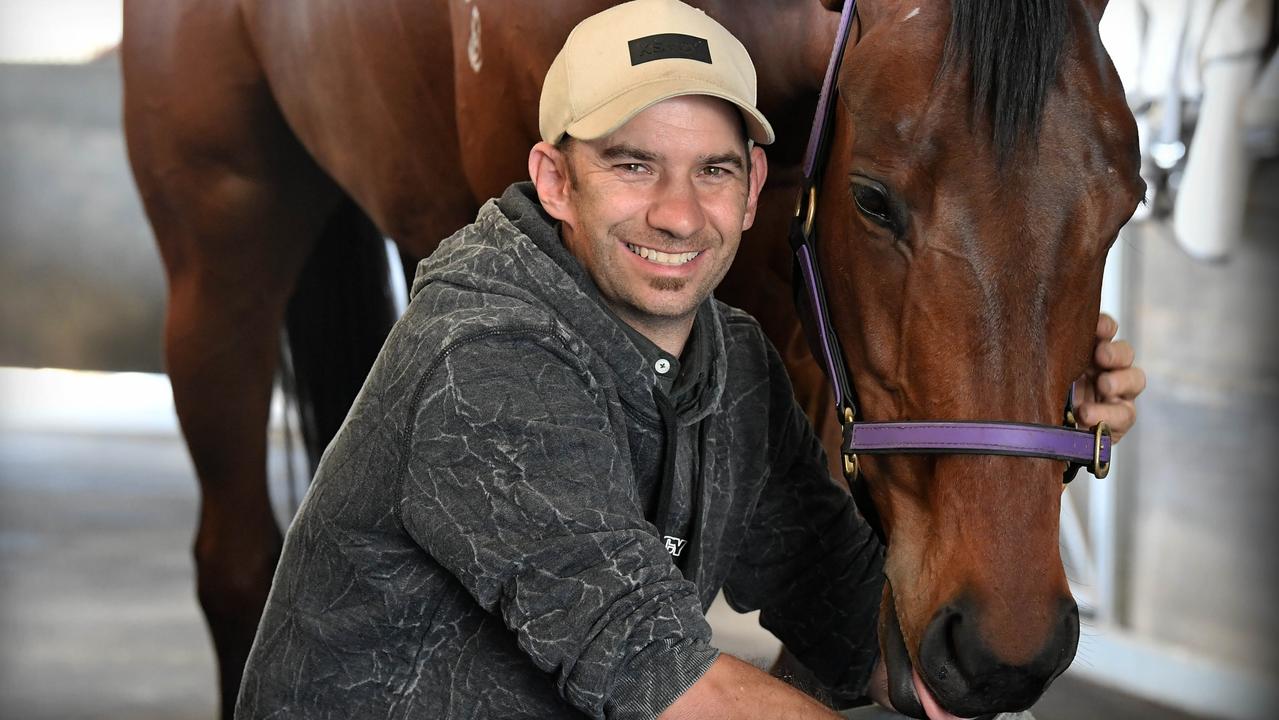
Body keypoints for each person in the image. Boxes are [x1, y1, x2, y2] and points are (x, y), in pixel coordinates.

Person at [235, 1, 1145, 718]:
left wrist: (1025, 421)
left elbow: (847, 609)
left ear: (755, 189)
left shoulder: (730, 365)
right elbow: (669, 688)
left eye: (711, 169)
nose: (676, 214)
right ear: (555, 179)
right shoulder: (481, 354)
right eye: (632, 166)